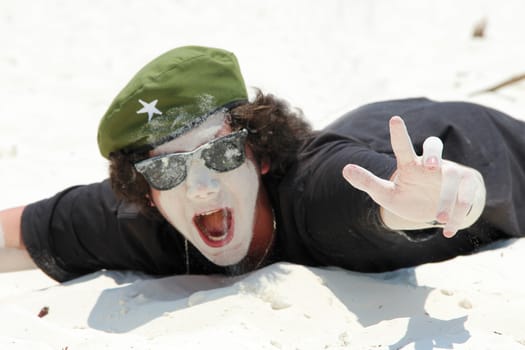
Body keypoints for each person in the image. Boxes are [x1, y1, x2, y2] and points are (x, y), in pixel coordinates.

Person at [1, 46, 523, 282]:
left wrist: (435, 197)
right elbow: (15, 233)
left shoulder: (321, 193)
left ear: (261, 154)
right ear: (146, 193)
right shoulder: (140, 224)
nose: (200, 188)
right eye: (167, 170)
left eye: (222, 153)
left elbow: (384, 193)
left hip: (483, 144)